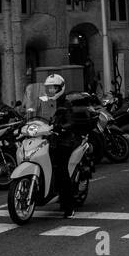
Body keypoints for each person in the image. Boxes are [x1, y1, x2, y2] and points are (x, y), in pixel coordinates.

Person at [41, 72, 82, 218]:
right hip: (47, 139)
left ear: (61, 88)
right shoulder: (44, 102)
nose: (51, 91)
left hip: (64, 140)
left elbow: (70, 120)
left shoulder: (66, 103)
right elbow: (36, 115)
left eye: (54, 88)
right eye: (49, 88)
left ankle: (68, 206)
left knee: (61, 169)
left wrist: (63, 127)